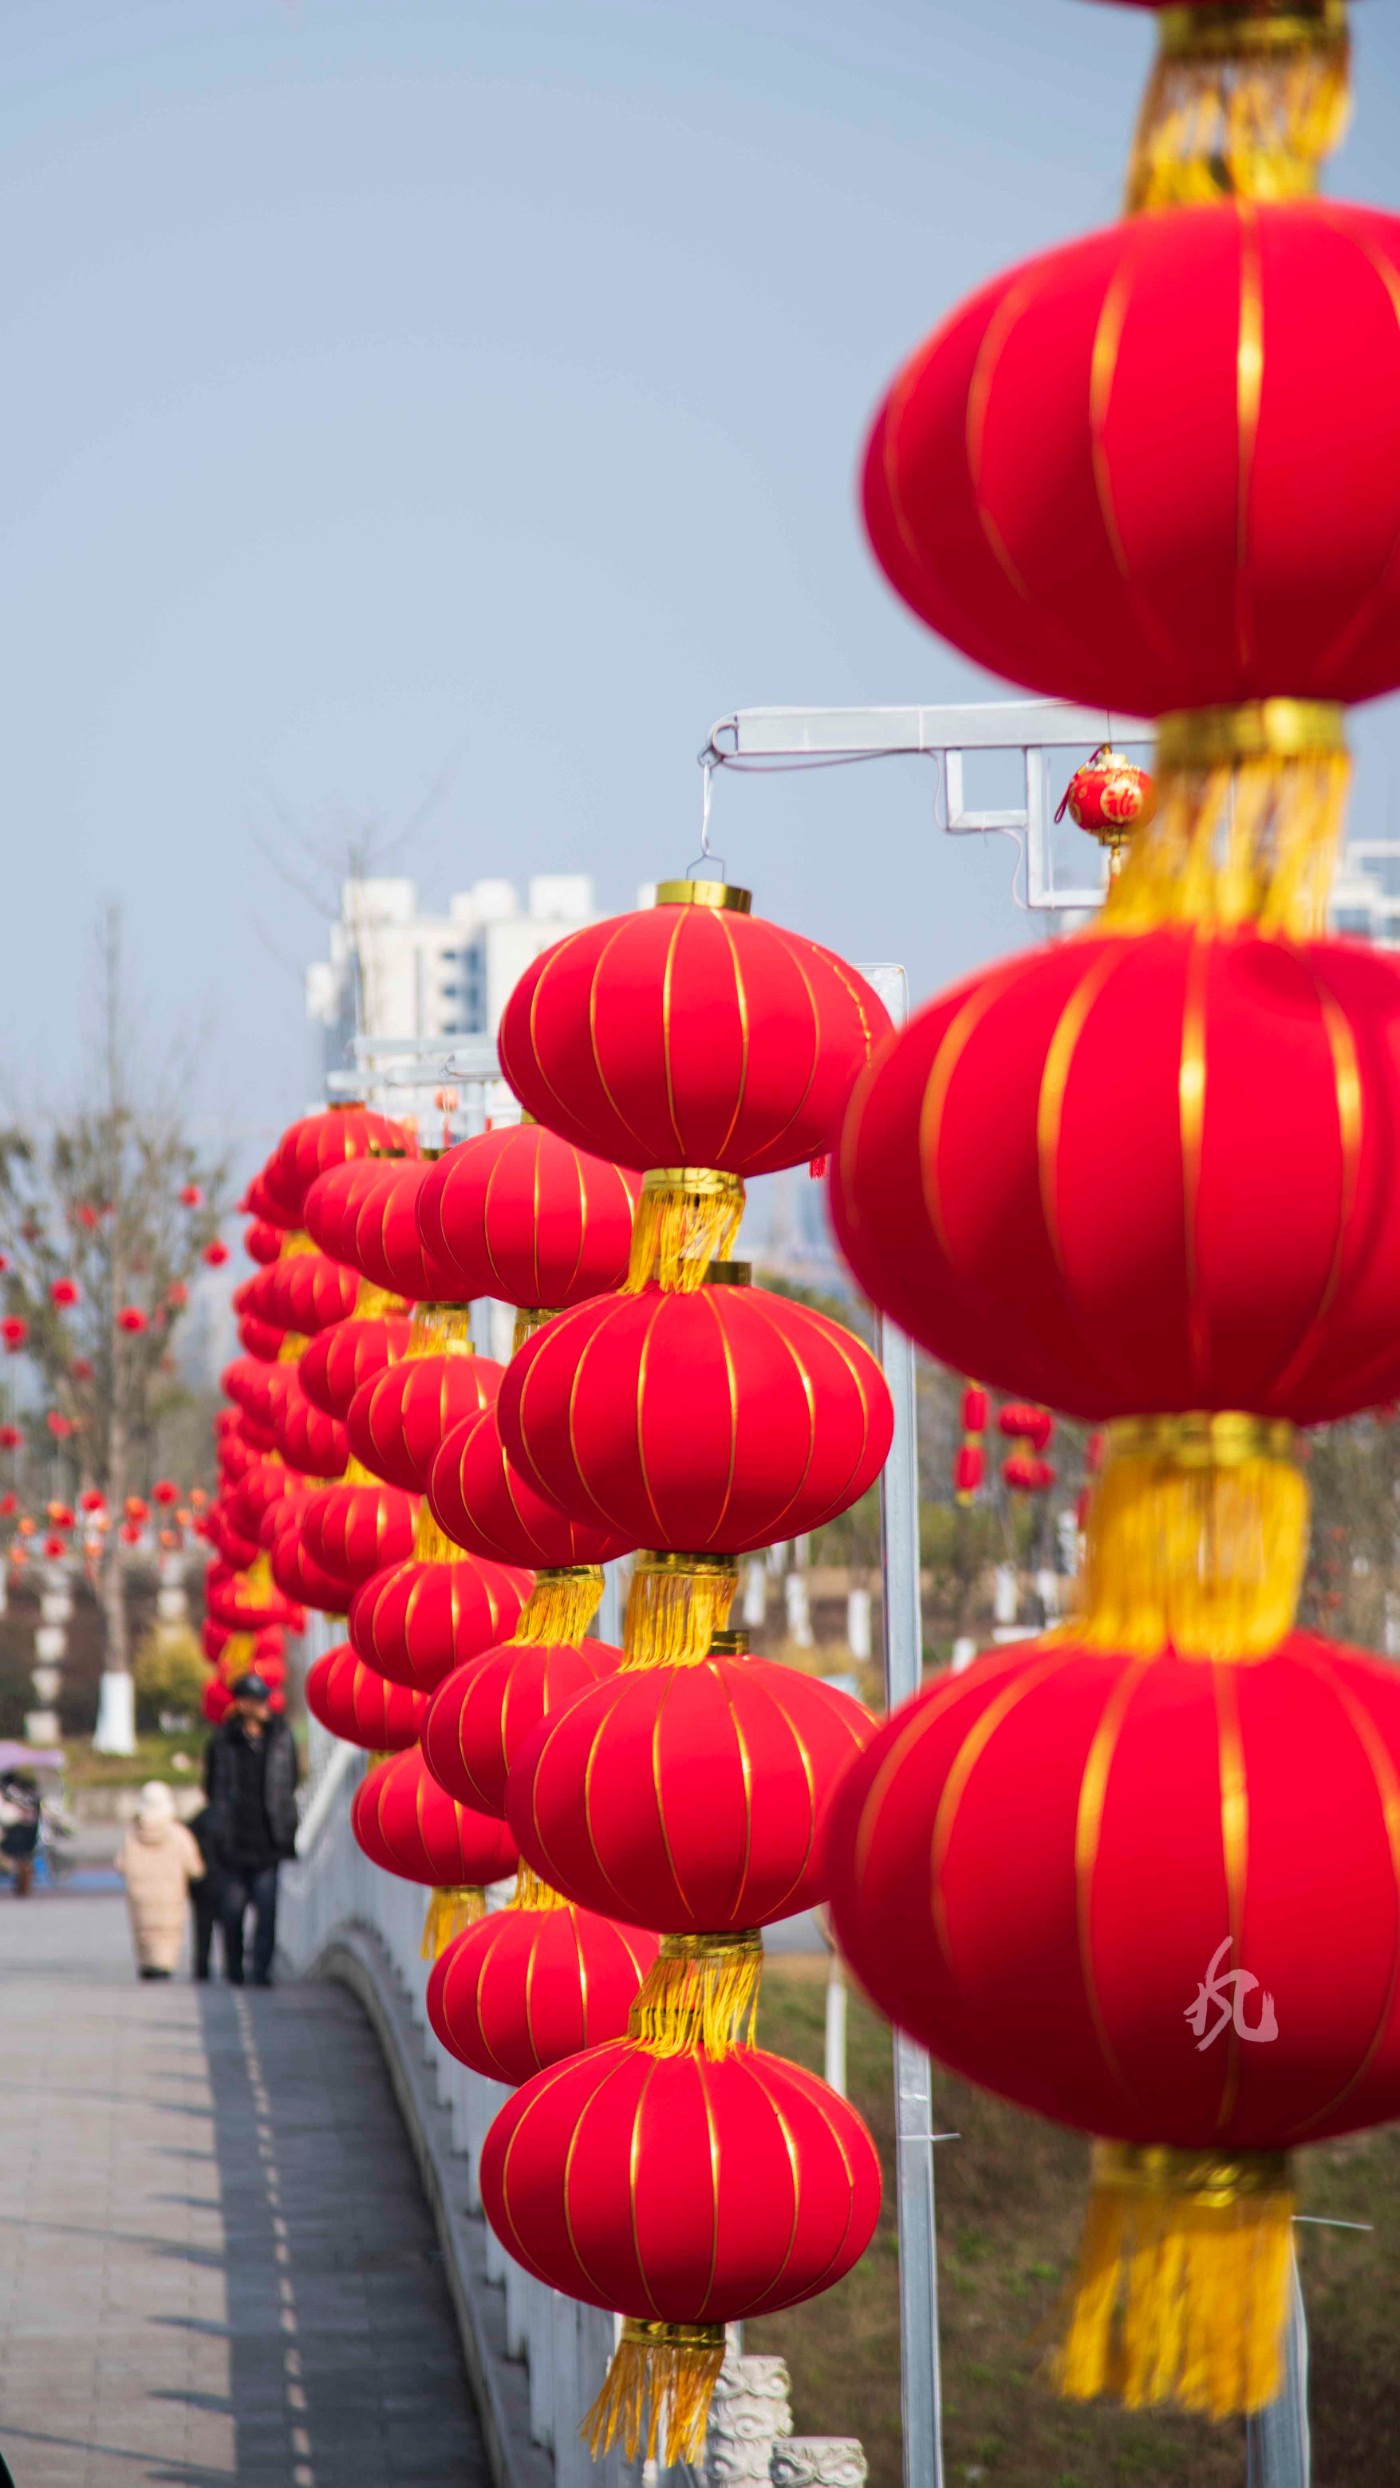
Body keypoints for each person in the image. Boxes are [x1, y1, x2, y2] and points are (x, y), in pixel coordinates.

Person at [203, 1673, 299, 1986]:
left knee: (266, 1911)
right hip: (232, 1841)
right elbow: (212, 1786)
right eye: (250, 1700)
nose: (256, 1707)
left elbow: (290, 1781)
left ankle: (261, 1970)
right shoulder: (222, 1740)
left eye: (260, 1700)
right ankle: (234, 1969)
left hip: (268, 1840)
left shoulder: (281, 1737)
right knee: (231, 1912)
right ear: (239, 1703)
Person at [115, 1782, 206, 1980]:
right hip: (170, 1897)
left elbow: (121, 1865)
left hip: (140, 1897)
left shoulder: (132, 1834)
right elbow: (195, 1868)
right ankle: (164, 1965)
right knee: (167, 1934)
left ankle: (148, 1965)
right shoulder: (178, 1834)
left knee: (144, 1933)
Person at [186, 1798, 222, 1981]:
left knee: (202, 1929)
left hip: (202, 1882)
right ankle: (234, 1969)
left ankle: (201, 1968)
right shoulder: (231, 1816)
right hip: (225, 1879)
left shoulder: (198, 1820)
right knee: (231, 1927)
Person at [0, 1771, 42, 1897]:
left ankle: (19, 1873)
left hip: (14, 1838)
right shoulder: (30, 1794)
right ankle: (21, 1874)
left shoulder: (12, 1798)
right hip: (26, 1839)